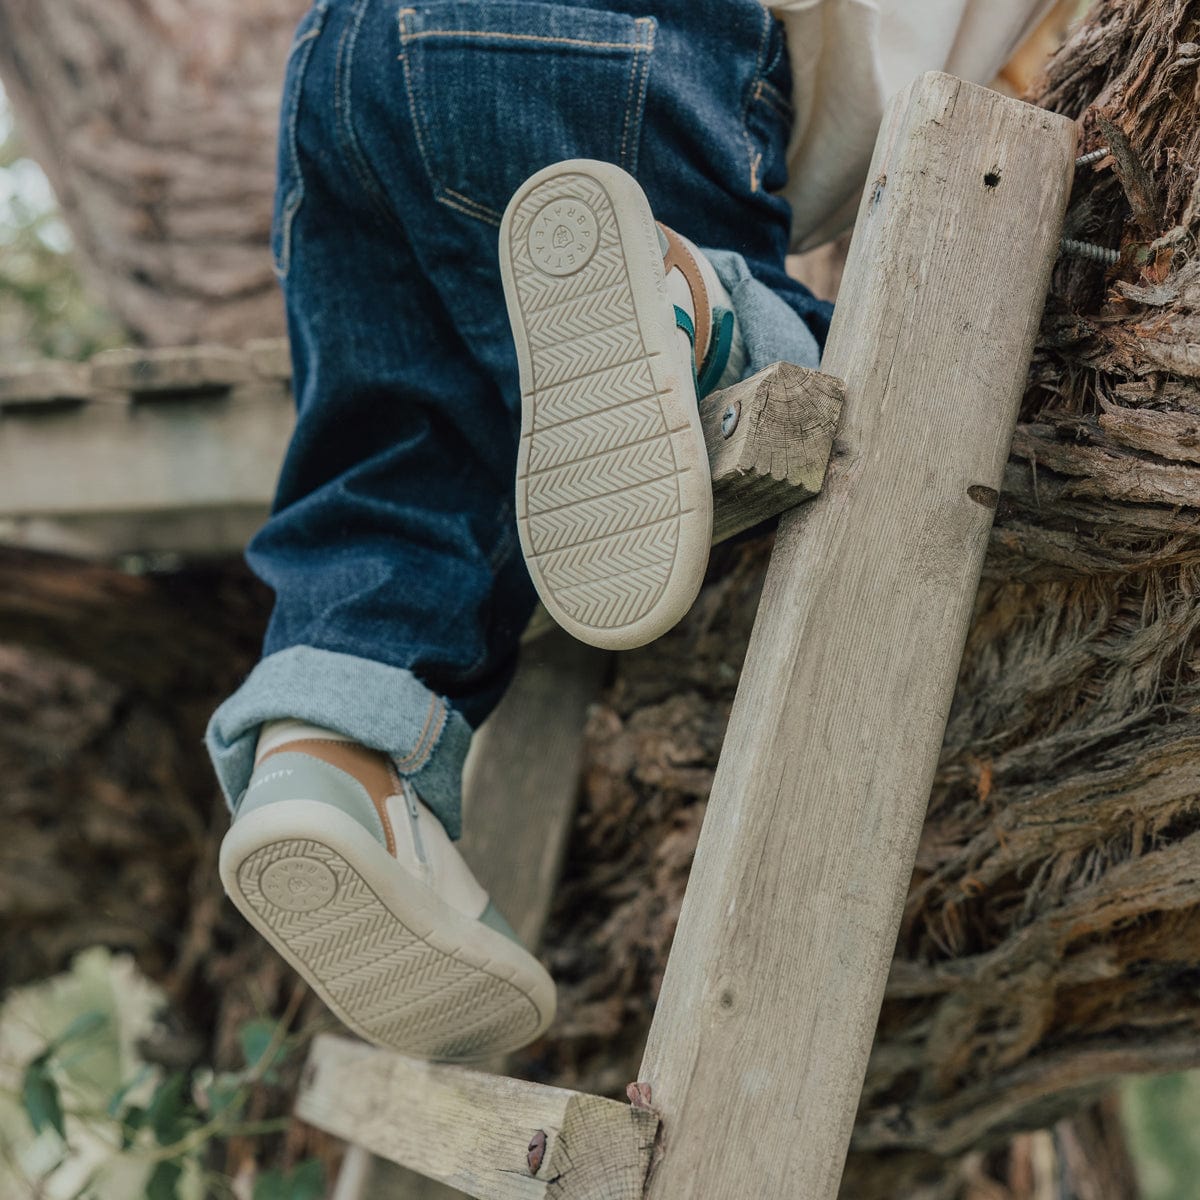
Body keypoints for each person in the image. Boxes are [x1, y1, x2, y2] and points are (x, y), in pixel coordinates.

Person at [207, 0, 1053, 1061]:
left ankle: (324, 758)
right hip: (610, 42)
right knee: (822, 385)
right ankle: (685, 298)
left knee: (400, 459)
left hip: (342, 65)